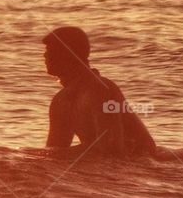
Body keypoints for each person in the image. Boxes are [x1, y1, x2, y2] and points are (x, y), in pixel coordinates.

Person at [43, 26, 155, 157]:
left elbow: (111, 148)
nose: (45, 54)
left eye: (52, 50)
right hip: (116, 168)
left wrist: (57, 155)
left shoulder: (101, 89)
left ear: (68, 53)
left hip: (146, 164)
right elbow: (53, 153)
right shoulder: (61, 101)